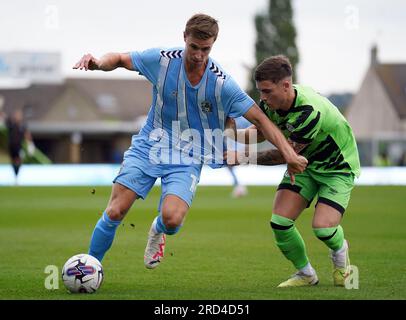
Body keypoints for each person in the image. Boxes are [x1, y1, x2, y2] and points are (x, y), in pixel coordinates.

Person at [73, 14, 307, 270]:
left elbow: (261, 120)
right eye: (194, 47)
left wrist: (290, 155)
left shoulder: (222, 83)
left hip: (190, 154)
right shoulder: (162, 61)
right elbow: (119, 59)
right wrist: (97, 63)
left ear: (213, 44)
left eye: (205, 49)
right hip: (150, 145)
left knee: (172, 220)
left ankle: (158, 229)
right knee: (116, 210)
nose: (198, 55)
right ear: (185, 38)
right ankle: (89, 267)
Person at [227, 55, 361, 287]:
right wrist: (232, 135)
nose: (263, 98)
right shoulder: (275, 103)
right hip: (305, 166)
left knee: (323, 228)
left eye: (267, 91)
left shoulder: (308, 111)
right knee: (280, 222)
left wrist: (241, 158)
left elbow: (284, 154)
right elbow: (261, 131)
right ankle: (306, 274)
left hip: (337, 168)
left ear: (286, 85)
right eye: (260, 92)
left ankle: (341, 259)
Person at [4, 109, 35, 183]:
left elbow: (27, 135)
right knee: (13, 161)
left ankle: (17, 176)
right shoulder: (11, 124)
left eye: (19, 115)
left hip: (19, 146)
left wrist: (30, 144)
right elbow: (5, 119)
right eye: (16, 115)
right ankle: (15, 175)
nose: (18, 116)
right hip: (11, 145)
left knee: (18, 160)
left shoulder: (23, 125)